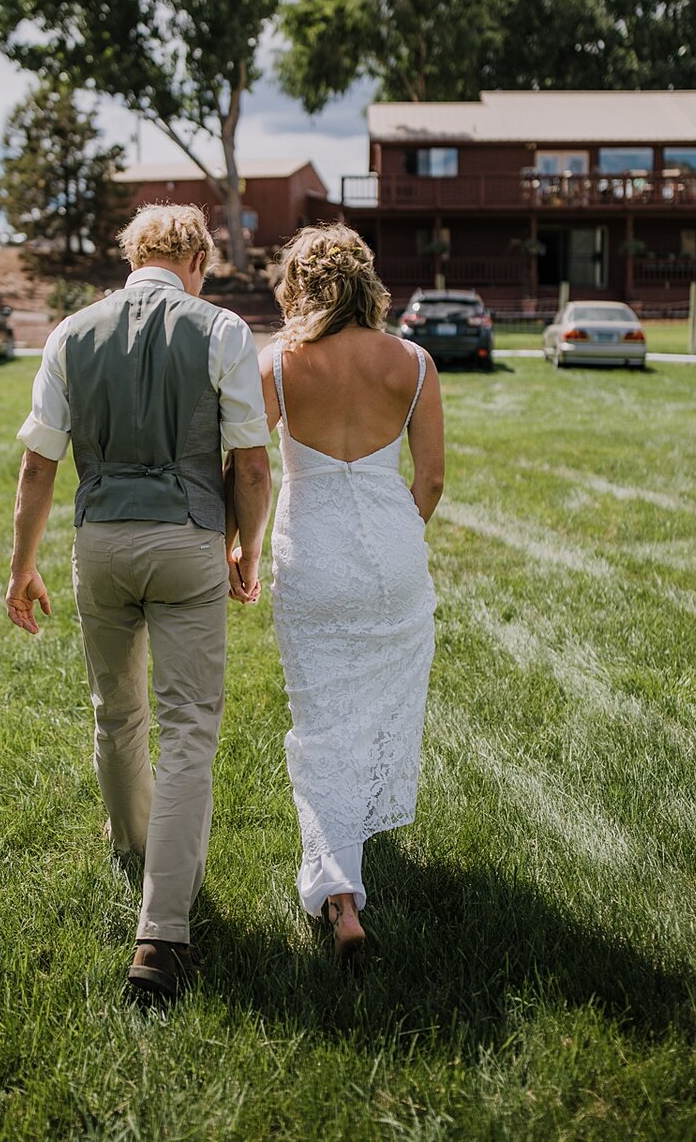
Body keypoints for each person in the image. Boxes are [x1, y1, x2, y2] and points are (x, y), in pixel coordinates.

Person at [6, 204, 271, 1003]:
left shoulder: (69, 333)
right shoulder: (221, 330)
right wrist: (245, 546)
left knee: (115, 712)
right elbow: (252, 466)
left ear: (133, 256)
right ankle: (162, 932)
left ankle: (131, 845)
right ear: (195, 256)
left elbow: (38, 468)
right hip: (187, 541)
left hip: (101, 546)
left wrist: (22, 566)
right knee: (189, 725)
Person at [253, 225, 444, 967]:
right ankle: (348, 848)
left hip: (312, 556)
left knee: (320, 716)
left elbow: (244, 465)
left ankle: (339, 890)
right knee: (372, 704)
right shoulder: (415, 362)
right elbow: (429, 479)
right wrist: (401, 532)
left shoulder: (277, 364)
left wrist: (239, 543)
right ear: (369, 280)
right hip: (393, 555)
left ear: (298, 285)